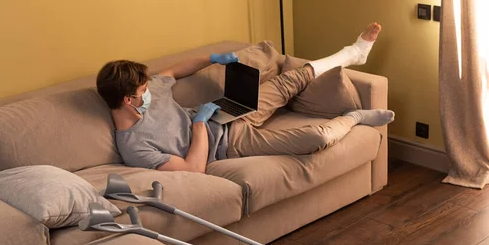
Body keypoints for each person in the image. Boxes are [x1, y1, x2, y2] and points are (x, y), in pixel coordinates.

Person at [96, 22, 394, 173]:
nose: (149, 91)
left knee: (290, 80)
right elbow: (193, 169)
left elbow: (174, 71)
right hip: (228, 143)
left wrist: (213, 58)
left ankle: (354, 54)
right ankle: (354, 118)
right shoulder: (134, 147)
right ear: (127, 101)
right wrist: (199, 125)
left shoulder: (150, 89)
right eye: (142, 92)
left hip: (223, 111)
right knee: (314, 139)